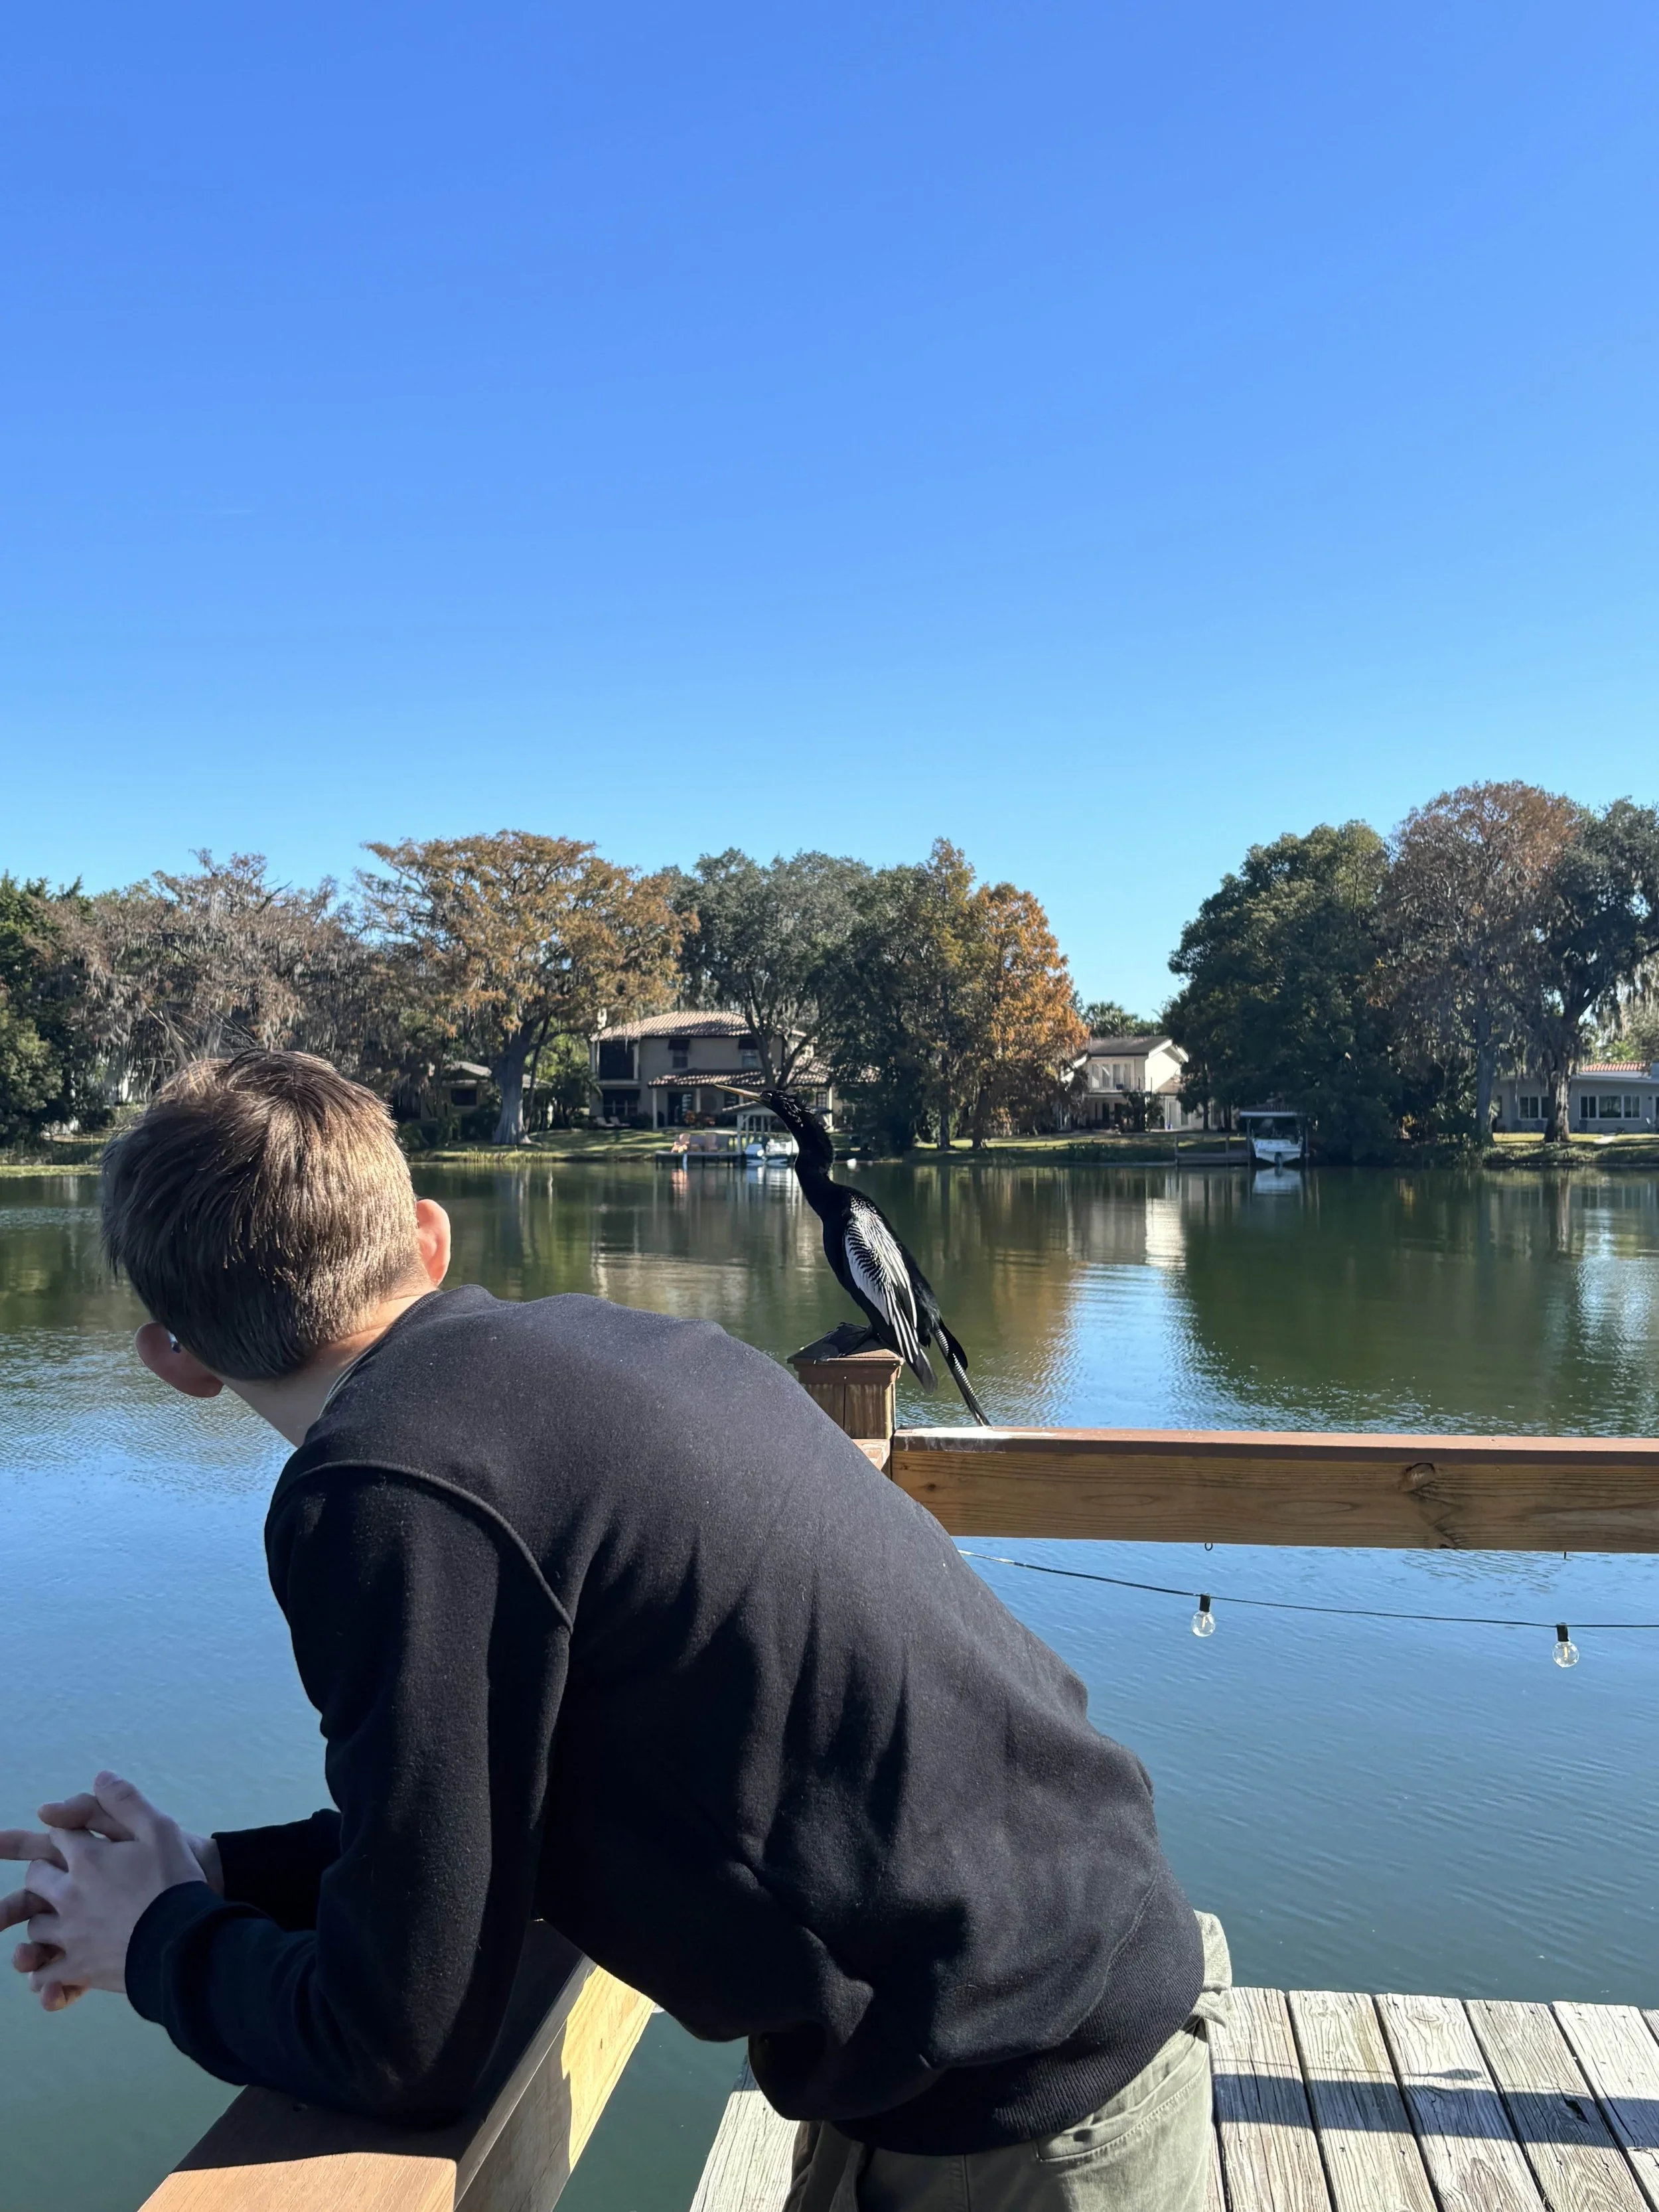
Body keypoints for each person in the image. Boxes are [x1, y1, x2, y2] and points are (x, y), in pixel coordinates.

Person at [2, 1051, 1229, 2212]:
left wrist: (157, 1938)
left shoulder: (381, 1493)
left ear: (175, 1357)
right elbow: (485, 1824)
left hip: (1013, 2100)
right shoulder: (627, 1348)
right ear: (429, 1237)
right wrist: (222, 1874)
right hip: (1039, 2001)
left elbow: (397, 2039)